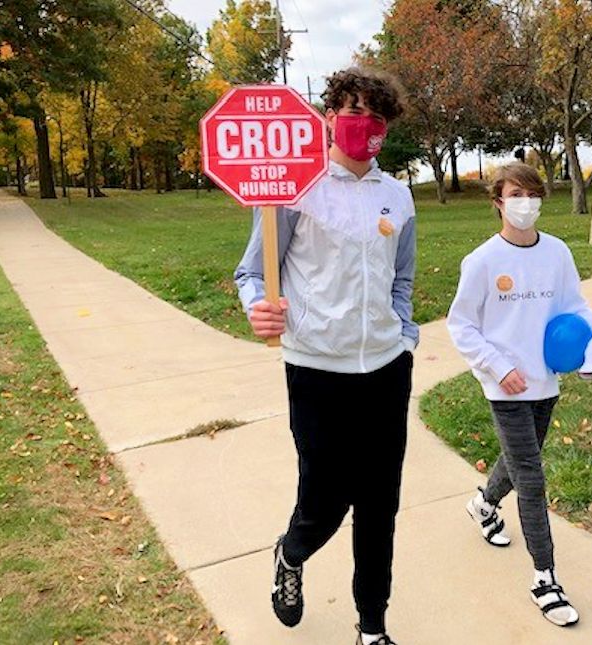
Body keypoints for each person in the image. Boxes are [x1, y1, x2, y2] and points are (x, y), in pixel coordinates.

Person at [234, 67, 417, 645]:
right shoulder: (296, 189)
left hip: (386, 369)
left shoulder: (398, 195)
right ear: (329, 118)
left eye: (376, 115)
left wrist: (404, 334)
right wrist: (258, 306)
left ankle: (372, 626)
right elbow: (251, 272)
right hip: (316, 370)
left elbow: (402, 279)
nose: (364, 123)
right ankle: (291, 553)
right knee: (325, 498)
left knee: (380, 504)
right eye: (353, 110)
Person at [446, 163, 592, 627]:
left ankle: (482, 504)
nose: (526, 202)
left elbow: (576, 306)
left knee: (520, 461)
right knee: (532, 479)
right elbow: (462, 325)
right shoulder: (481, 262)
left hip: (545, 380)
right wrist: (498, 367)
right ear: (498, 200)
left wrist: (591, 354)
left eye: (533, 193)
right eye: (516, 193)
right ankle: (545, 577)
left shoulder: (556, 253)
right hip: (504, 386)